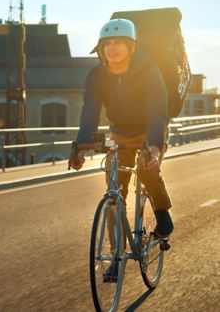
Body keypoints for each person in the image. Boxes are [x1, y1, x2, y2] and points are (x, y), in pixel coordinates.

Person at [69, 18, 174, 281]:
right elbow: (90, 111)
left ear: (131, 46)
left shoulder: (149, 70)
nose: (112, 48)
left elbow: (157, 111)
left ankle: (163, 215)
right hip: (119, 134)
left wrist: (153, 146)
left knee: (147, 170)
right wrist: (81, 145)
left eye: (118, 43)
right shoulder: (97, 75)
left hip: (150, 130)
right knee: (114, 191)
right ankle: (117, 256)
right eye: (107, 44)